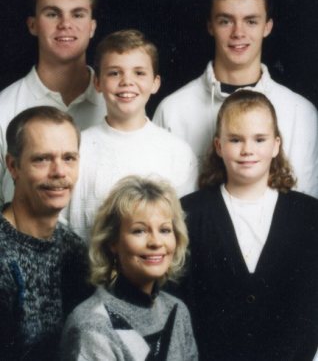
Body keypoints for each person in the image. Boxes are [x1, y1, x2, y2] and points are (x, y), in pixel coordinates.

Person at [178, 90, 318, 360]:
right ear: (218, 146)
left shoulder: (309, 216)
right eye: (235, 139)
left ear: (276, 145)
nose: (247, 150)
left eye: (259, 139)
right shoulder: (189, 213)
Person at [153, 0, 318, 198]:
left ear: (267, 26)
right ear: (210, 26)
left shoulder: (301, 115)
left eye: (251, 21)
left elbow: (306, 210)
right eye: (225, 21)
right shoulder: (172, 111)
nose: (238, 33)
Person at [65, 29, 198, 243]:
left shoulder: (177, 152)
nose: (127, 81)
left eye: (139, 73)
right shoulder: (77, 149)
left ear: (155, 83)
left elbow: (183, 228)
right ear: (97, 83)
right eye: (114, 73)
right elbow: (62, 222)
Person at [0, 0, 106, 207]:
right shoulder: (4, 109)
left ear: (92, 27)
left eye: (77, 14)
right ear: (33, 24)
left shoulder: (119, 104)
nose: (65, 24)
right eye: (52, 13)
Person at [60, 175, 198, 361]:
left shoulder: (177, 311)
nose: (156, 242)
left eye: (165, 230)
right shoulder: (91, 324)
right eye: (139, 230)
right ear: (112, 242)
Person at [0, 106, 92, 361]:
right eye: (42, 159)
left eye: (69, 158)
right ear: (13, 166)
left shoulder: (74, 249)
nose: (59, 172)